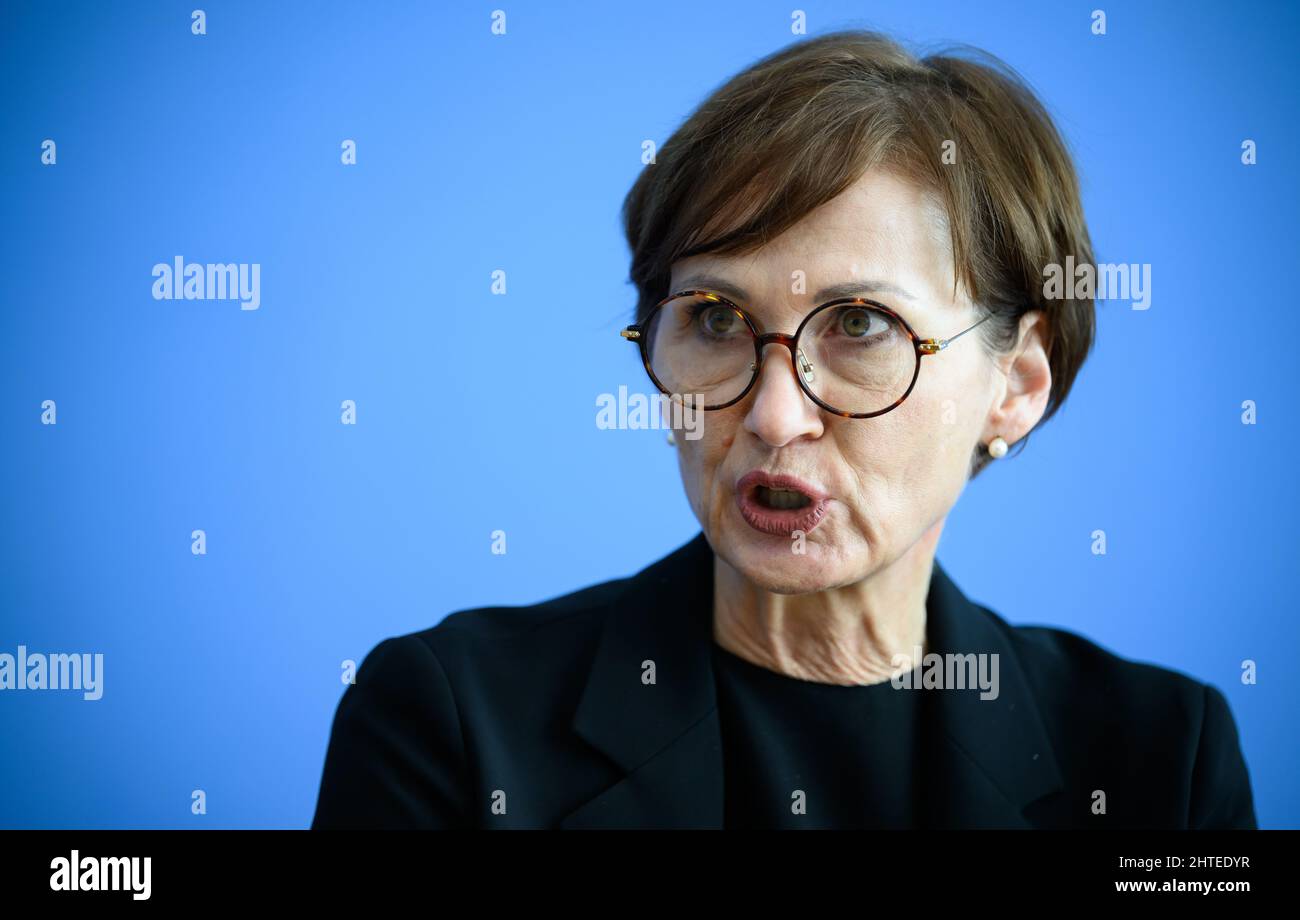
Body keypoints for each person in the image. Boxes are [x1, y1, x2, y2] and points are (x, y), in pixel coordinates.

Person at [311, 29, 1255, 829]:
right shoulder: (449, 724)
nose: (771, 415)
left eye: (860, 327)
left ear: (1015, 383)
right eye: (716, 320)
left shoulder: (1159, 762)